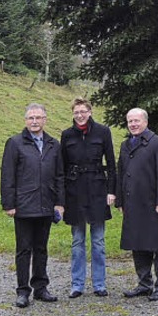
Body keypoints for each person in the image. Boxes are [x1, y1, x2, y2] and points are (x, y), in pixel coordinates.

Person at [0, 103, 65, 308]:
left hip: (46, 205)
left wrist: (60, 203)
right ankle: (22, 291)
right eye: (31, 118)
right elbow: (7, 175)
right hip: (24, 205)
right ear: (25, 120)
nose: (34, 121)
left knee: (41, 248)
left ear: (45, 119)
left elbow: (60, 176)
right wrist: (9, 204)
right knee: (23, 249)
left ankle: (40, 288)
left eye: (38, 117)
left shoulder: (54, 144)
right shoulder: (15, 143)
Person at [60, 97, 117, 298]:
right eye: (76, 112)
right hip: (74, 191)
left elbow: (111, 163)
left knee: (98, 241)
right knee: (77, 241)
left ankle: (99, 284)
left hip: (97, 190)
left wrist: (112, 190)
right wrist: (62, 196)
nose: (80, 115)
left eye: (83, 111)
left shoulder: (103, 132)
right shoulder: (67, 135)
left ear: (90, 112)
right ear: (73, 114)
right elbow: (62, 166)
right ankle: (77, 284)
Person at [116, 107, 158, 302]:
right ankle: (144, 284)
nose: (133, 124)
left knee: (157, 245)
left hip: (152, 204)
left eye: (136, 121)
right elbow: (121, 173)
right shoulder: (125, 145)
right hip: (132, 204)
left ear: (145, 122)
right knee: (137, 244)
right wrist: (120, 200)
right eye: (130, 121)